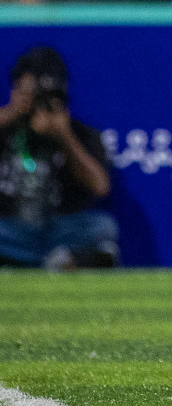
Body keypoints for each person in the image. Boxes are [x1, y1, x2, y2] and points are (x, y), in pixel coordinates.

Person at [0, 47, 117, 270]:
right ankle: (59, 262)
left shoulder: (79, 133)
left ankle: (53, 260)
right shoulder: (7, 127)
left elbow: (101, 186)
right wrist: (13, 112)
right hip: (10, 227)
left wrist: (64, 136)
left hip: (58, 229)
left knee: (104, 227)